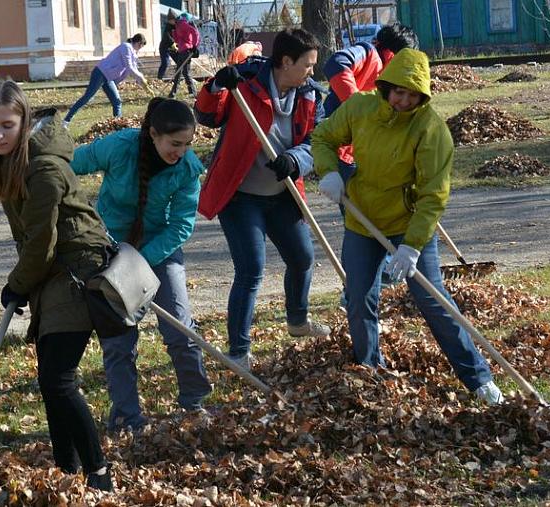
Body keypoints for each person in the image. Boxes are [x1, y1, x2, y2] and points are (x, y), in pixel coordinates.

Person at [311, 49, 504, 405]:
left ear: (422, 96)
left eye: (412, 95)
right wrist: (329, 172)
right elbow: (323, 137)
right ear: (386, 87)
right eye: (398, 91)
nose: (403, 100)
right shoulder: (361, 108)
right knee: (359, 299)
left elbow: (433, 194)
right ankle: (370, 371)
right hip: (361, 221)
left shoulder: (431, 130)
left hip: (408, 224)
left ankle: (478, 379)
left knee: (432, 300)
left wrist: (413, 245)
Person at [0, 80, 113, 489]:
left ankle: (98, 474)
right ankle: (66, 474)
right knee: (50, 381)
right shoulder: (11, 162)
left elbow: (41, 243)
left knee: (58, 379)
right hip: (52, 275)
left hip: (77, 272)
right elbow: (34, 243)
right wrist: (26, 283)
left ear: (24, 121)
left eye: (7, 126)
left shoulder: (44, 168)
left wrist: (16, 284)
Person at [71, 97, 212, 431]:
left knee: (179, 328)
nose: (181, 151)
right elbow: (72, 163)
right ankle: (126, 417)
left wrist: (138, 264)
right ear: (152, 134)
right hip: (109, 250)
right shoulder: (120, 147)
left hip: (159, 252)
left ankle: (194, 403)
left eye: (188, 144)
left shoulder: (188, 169)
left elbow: (181, 226)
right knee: (119, 341)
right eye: (175, 143)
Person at [194, 28, 331, 370]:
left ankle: (297, 321)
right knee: (251, 269)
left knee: (302, 259)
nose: (312, 71)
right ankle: (238, 351)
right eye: (308, 65)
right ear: (286, 61)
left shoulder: (310, 95)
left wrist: (296, 160)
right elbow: (207, 115)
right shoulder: (246, 81)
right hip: (240, 197)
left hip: (282, 195)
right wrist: (215, 85)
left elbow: (318, 141)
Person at [323, 23, 419, 286]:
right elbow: (335, 63)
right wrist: (355, 104)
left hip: (364, 153)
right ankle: (357, 287)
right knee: (361, 223)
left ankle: (381, 279)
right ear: (393, 53)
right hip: (341, 153)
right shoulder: (368, 53)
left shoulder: (390, 82)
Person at [64, 34, 148, 123]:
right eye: (141, 46)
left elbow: (134, 68)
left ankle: (118, 125)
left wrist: (143, 83)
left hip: (109, 78)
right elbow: (129, 67)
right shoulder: (126, 47)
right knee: (87, 97)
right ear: (139, 43)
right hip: (100, 73)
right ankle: (66, 120)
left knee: (117, 102)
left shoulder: (133, 53)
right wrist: (141, 78)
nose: (140, 49)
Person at [168, 14, 200, 98]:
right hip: (181, 50)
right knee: (181, 72)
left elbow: (195, 32)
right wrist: (173, 32)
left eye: (169, 20)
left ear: (173, 19)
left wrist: (194, 45)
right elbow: (177, 40)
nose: (169, 22)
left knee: (183, 72)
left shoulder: (183, 24)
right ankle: (190, 92)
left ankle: (190, 92)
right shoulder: (177, 25)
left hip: (187, 50)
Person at [157, 10, 178, 79]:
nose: (174, 21)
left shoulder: (176, 26)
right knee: (165, 63)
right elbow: (167, 36)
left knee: (179, 61)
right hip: (164, 48)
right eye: (173, 20)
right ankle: (160, 77)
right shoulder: (167, 27)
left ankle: (177, 77)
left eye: (175, 20)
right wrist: (172, 43)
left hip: (172, 48)